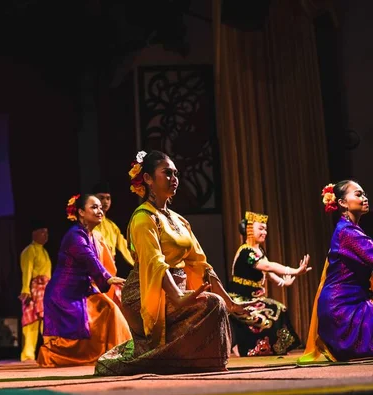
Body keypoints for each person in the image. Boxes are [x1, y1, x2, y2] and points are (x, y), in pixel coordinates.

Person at [95, 150, 250, 376]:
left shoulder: (179, 220)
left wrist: (231, 303)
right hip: (145, 293)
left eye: (176, 173)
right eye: (167, 173)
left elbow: (201, 264)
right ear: (147, 178)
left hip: (174, 290)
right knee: (212, 304)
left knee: (218, 304)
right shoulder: (143, 218)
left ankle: (190, 362)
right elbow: (155, 263)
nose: (174, 178)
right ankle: (165, 360)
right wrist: (178, 296)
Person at [37, 194, 132, 367]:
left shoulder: (92, 236)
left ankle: (117, 354)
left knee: (109, 309)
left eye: (101, 208)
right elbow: (89, 259)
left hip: (82, 289)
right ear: (81, 212)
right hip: (64, 294)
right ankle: (52, 356)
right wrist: (107, 278)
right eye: (94, 207)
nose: (100, 211)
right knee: (101, 314)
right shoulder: (75, 235)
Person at [299, 181, 373, 363]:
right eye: (358, 194)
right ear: (342, 203)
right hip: (343, 312)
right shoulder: (347, 232)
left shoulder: (350, 230)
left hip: (351, 306)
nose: (364, 198)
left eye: (364, 194)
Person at [227, 211, 310, 357]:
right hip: (240, 300)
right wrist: (295, 271)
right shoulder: (247, 252)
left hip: (254, 299)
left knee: (280, 309)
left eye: (265, 229)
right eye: (261, 228)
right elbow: (267, 267)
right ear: (250, 230)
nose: (264, 232)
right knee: (266, 318)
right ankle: (241, 346)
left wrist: (283, 282)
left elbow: (268, 273)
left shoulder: (258, 250)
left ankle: (279, 348)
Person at [19, 220, 52, 362]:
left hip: (46, 290)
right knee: (31, 321)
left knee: (46, 321)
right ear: (34, 233)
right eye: (42, 232)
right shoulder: (29, 250)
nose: (46, 235)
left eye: (47, 232)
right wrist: (26, 289)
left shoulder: (44, 251)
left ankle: (49, 351)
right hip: (34, 290)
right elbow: (27, 271)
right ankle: (27, 355)